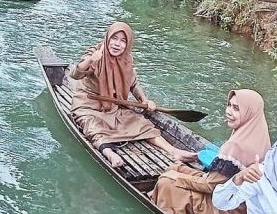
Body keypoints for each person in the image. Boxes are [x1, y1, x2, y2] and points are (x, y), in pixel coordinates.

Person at [70, 22, 196, 170]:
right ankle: (109, 153)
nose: (117, 44)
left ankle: (173, 151)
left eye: (123, 41)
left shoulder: (126, 59)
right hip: (89, 105)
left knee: (141, 122)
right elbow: (75, 74)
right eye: (114, 39)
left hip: (113, 106)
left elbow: (133, 84)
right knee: (92, 126)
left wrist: (144, 100)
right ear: (107, 38)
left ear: (128, 43)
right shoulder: (96, 53)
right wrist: (92, 59)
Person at [150, 89, 270, 214]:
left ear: (249, 112)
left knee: (166, 182)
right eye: (229, 105)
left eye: (236, 108)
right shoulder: (260, 135)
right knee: (176, 167)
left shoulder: (235, 146)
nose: (229, 111)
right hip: (243, 213)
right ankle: (156, 197)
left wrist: (177, 178)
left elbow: (211, 185)